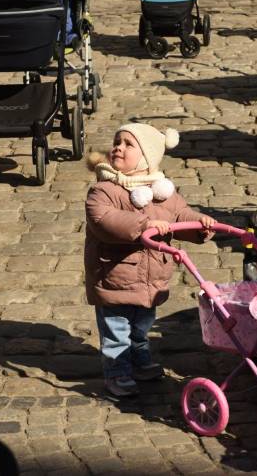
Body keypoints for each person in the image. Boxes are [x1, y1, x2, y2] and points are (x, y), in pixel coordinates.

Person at [84, 123, 215, 397]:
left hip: (151, 278)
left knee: (141, 326)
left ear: (146, 158)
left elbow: (182, 215)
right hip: (114, 277)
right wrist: (145, 224)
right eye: (117, 141)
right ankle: (117, 372)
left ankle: (140, 363)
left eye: (128, 144)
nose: (118, 147)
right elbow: (105, 220)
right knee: (117, 331)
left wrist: (200, 224)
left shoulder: (162, 192)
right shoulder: (104, 190)